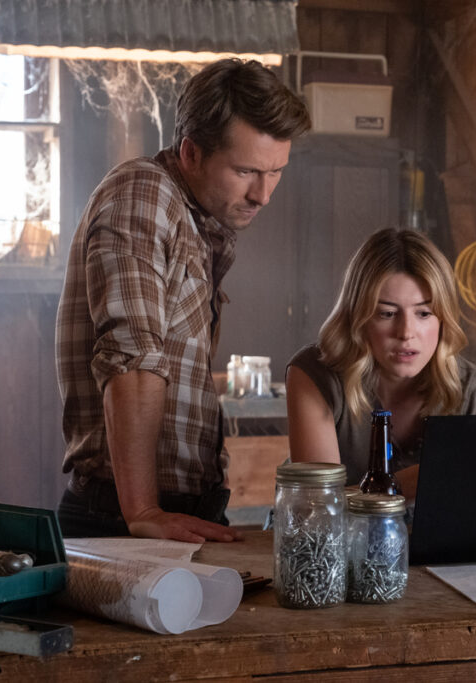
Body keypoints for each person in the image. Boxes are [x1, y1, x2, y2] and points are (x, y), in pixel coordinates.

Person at [55, 59, 311, 541]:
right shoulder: (144, 194)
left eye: (276, 171)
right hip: (127, 520)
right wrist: (144, 510)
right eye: (246, 171)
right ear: (191, 152)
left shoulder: (191, 217)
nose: (264, 194)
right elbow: (131, 358)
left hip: (169, 514)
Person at [287, 228, 476, 500]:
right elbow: (318, 507)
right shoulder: (315, 374)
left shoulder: (473, 389)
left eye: (424, 313)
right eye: (387, 313)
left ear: (443, 319)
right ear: (358, 318)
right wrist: (406, 483)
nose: (406, 332)